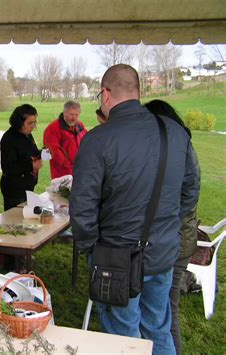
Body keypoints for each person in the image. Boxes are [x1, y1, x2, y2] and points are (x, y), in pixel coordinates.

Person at [69, 64, 199, 354]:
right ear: (138, 92)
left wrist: (91, 247)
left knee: (123, 337)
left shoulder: (99, 139)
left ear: (105, 93)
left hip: (116, 256)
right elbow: (190, 192)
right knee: (158, 329)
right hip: (162, 252)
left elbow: (81, 206)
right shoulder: (175, 132)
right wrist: (166, 225)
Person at [145, 99, 200, 355]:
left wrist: (166, 220)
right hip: (175, 237)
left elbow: (189, 194)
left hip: (175, 239)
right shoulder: (178, 145)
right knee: (162, 310)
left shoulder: (179, 147)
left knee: (167, 309)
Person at [0, 104, 42, 211]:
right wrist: (31, 165)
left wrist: (43, 153)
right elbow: (8, 167)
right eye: (29, 123)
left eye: (34, 122)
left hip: (28, 186)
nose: (33, 126)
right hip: (15, 188)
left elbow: (32, 153)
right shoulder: (9, 139)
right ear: (19, 122)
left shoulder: (27, 135)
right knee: (15, 220)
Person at [43, 100, 87, 179]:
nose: (74, 118)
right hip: (63, 175)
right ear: (64, 112)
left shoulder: (80, 125)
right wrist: (70, 167)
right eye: (71, 114)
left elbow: (87, 142)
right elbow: (54, 152)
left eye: (76, 115)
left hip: (80, 170)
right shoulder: (53, 129)